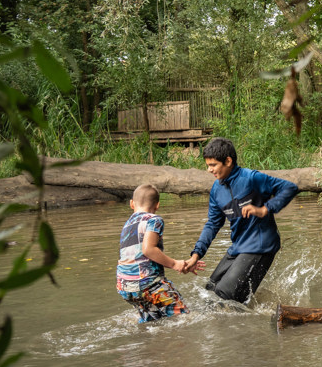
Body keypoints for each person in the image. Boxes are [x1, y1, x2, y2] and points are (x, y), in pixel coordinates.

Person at [182, 137, 298, 304]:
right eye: (208, 165)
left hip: (261, 245)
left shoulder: (252, 178)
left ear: (228, 161)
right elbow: (213, 224)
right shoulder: (216, 189)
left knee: (224, 294)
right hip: (238, 246)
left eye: (213, 165)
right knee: (210, 291)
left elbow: (289, 188)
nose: (209, 170)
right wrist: (196, 255)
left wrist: (265, 209)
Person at [117, 183, 203, 323]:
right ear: (157, 205)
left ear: (131, 204)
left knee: (151, 321)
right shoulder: (154, 219)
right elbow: (148, 249)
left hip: (125, 287)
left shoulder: (127, 224)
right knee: (186, 318)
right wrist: (175, 264)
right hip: (149, 284)